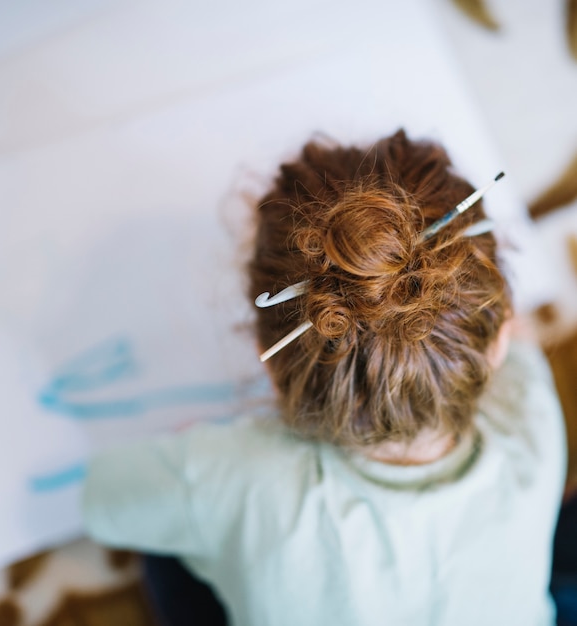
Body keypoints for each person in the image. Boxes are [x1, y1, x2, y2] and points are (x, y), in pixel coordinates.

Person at [83, 130, 566, 625]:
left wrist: (190, 455)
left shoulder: (224, 480)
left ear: (269, 365)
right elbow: (518, 338)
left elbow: (101, 500)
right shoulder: (533, 425)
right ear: (499, 341)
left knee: (169, 554)